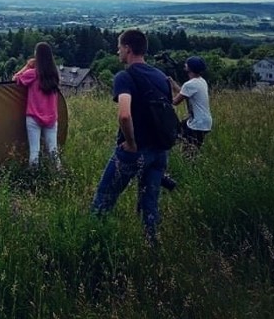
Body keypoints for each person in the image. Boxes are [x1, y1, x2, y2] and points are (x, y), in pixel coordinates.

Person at [91, 28, 172, 244]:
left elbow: (125, 115)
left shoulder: (124, 77)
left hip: (135, 151)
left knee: (104, 200)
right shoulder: (161, 77)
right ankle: (151, 243)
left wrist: (131, 142)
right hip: (159, 152)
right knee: (150, 202)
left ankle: (92, 243)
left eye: (119, 47)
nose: (117, 51)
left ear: (127, 49)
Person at [13, 42, 61, 169]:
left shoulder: (32, 74)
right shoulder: (54, 74)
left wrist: (27, 65)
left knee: (35, 151)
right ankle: (59, 176)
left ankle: (34, 178)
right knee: (53, 151)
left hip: (33, 117)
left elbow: (15, 78)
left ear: (37, 56)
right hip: (51, 118)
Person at [169, 55, 212, 151]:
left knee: (189, 153)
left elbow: (175, 102)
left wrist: (163, 97)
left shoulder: (190, 84)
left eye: (186, 64)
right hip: (204, 122)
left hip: (197, 124)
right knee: (180, 136)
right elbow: (183, 92)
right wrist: (172, 82)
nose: (185, 64)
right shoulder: (201, 81)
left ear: (189, 68)